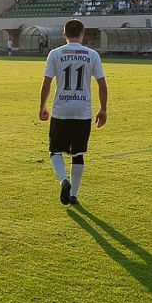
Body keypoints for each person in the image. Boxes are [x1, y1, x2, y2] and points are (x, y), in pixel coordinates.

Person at [38, 19, 106, 206]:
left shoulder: (55, 53)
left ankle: (63, 180)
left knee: (55, 151)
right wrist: (103, 108)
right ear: (83, 33)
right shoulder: (92, 55)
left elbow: (47, 83)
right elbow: (102, 84)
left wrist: (42, 106)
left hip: (61, 110)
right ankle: (74, 194)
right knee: (78, 154)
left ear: (64, 34)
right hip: (82, 111)